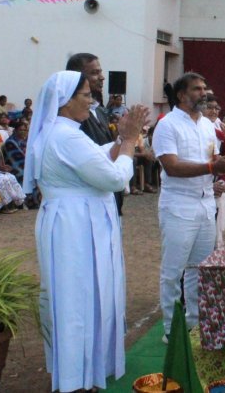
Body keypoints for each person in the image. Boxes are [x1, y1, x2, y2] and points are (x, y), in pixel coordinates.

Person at [25, 71, 147, 393]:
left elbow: (96, 158)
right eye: (85, 95)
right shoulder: (66, 137)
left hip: (72, 222)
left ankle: (80, 371)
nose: (92, 101)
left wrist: (121, 140)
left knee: (79, 296)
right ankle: (76, 378)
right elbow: (113, 178)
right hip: (76, 227)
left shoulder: (63, 132)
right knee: (77, 298)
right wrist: (131, 142)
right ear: (64, 101)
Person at [153, 72, 225, 338]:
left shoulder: (206, 125)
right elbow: (171, 166)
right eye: (196, 89)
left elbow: (210, 158)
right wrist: (213, 165)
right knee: (173, 272)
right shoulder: (168, 124)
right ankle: (170, 329)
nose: (203, 93)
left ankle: (194, 325)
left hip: (205, 204)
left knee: (198, 269)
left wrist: (222, 163)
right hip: (179, 205)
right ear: (181, 95)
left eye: (204, 88)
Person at [66, 53, 125, 216]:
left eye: (100, 72)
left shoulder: (98, 110)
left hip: (108, 193)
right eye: (94, 73)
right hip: (89, 194)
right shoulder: (72, 118)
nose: (102, 77)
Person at [202, 94, 225, 248]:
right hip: (199, 189)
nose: (214, 111)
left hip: (217, 186)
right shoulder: (195, 130)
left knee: (214, 237)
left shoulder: (221, 129)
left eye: (216, 108)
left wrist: (223, 181)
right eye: (209, 107)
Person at [0, 127, 24, 213]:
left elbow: (1, 163)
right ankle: (3, 206)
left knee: (10, 177)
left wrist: (5, 167)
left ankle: (15, 202)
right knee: (0, 180)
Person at [4, 120, 37, 207]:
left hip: (26, 165)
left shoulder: (26, 141)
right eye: (21, 130)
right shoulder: (10, 142)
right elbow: (17, 160)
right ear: (15, 131)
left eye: (25, 130)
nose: (23, 132)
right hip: (15, 167)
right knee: (26, 175)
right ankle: (29, 202)